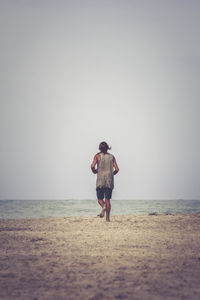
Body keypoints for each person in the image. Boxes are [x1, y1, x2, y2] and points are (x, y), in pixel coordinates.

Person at [91, 141, 119, 222]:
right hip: (109, 181)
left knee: (100, 199)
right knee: (107, 200)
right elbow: (117, 169)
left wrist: (95, 171)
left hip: (100, 180)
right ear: (107, 148)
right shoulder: (112, 157)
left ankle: (103, 206)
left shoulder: (97, 156)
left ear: (100, 148)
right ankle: (108, 218)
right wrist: (111, 174)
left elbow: (92, 166)